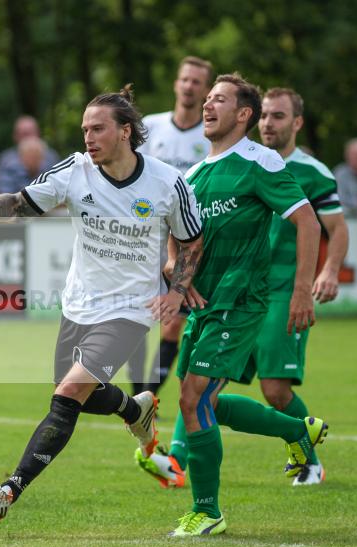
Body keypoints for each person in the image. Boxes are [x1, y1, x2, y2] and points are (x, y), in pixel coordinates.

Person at [0, 85, 204, 522]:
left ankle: (7, 492)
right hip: (78, 303)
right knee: (78, 394)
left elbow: (191, 241)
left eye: (97, 128)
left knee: (69, 392)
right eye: (84, 129)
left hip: (130, 310)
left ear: (125, 131)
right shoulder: (75, 170)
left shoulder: (168, 182)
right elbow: (19, 203)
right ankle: (136, 409)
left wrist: (176, 291)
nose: (88, 137)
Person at [137, 73, 328, 537]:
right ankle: (295, 431)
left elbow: (308, 224)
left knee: (192, 397)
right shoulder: (194, 175)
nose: (207, 106)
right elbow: (175, 236)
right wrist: (174, 272)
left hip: (242, 303)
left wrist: (302, 291)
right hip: (205, 307)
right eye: (206, 99)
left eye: (219, 99)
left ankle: (208, 512)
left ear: (244, 114)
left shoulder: (258, 161)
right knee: (205, 405)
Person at [129, 56, 213, 397]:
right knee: (133, 323)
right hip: (145, 239)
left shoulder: (210, 134)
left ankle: (146, 399)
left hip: (185, 238)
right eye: (185, 79)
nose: (189, 86)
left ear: (206, 90)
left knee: (172, 323)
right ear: (176, 84)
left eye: (197, 81)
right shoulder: (152, 127)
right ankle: (140, 398)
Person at [0, 116, 60, 194]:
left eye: (31, 133)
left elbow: (61, 190)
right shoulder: (6, 159)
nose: (28, 139)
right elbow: (0, 192)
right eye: (24, 134)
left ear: (38, 133)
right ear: (15, 137)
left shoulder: (51, 157)